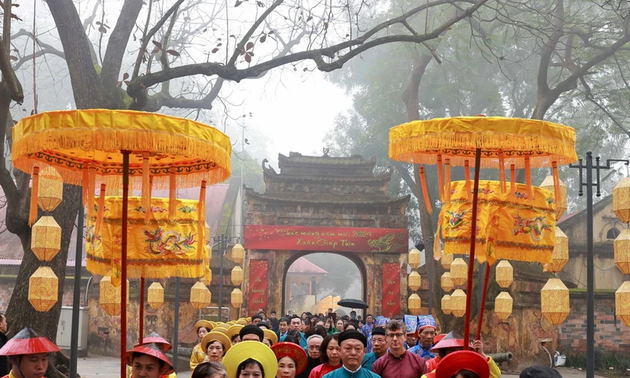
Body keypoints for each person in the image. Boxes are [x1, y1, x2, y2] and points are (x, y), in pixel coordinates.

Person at [422, 332, 500, 378]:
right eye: (452, 351)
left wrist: (482, 354)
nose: (457, 353)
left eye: (460, 350)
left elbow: (495, 375)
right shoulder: (430, 376)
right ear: (443, 353)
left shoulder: (471, 371)